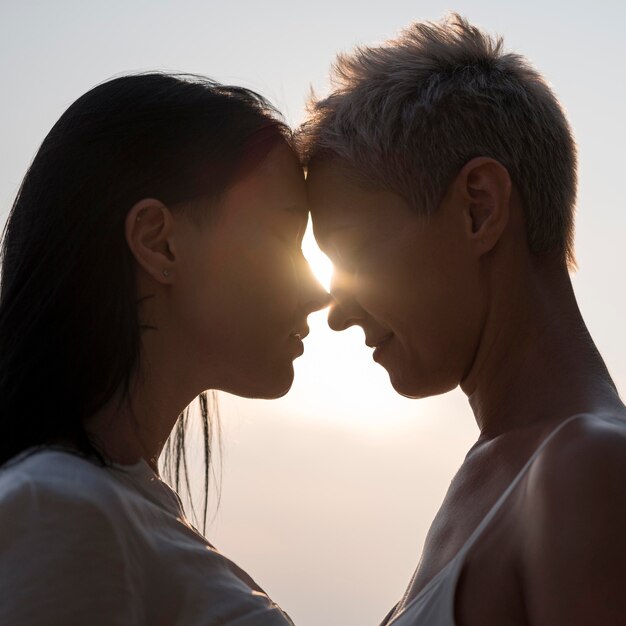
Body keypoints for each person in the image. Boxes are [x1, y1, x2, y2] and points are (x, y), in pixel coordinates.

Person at [301, 14, 626, 626]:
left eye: (352, 253)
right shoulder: (500, 472)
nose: (337, 313)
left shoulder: (588, 469)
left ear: (479, 208)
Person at [0, 72, 328, 625]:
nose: (318, 291)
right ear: (160, 242)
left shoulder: (111, 511)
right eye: (282, 236)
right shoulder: (58, 508)